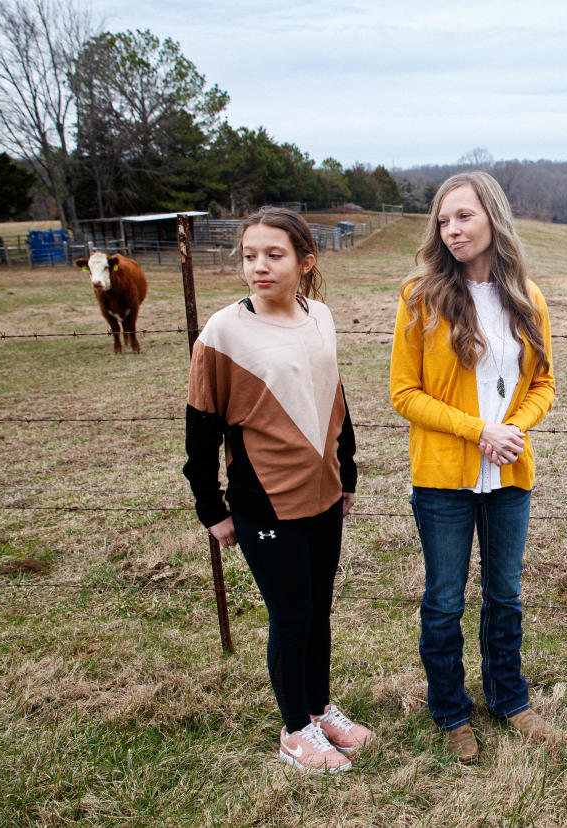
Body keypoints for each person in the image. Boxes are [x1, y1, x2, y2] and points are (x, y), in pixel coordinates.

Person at [183, 206, 373, 774]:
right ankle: (295, 731)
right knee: (290, 617)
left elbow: (334, 401)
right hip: (264, 502)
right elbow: (201, 433)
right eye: (249, 256)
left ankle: (318, 707)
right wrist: (211, 510)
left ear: (305, 262)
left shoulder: (321, 317)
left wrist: (348, 474)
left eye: (274, 255)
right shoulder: (223, 332)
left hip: (324, 495)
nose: (258, 267)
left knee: (318, 613)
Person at [390, 171, 556, 764]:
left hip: (509, 475)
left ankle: (510, 701)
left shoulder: (526, 297)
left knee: (505, 597)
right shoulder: (421, 296)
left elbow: (544, 383)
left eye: (464, 216)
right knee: (444, 600)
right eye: (443, 220)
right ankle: (451, 711)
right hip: (442, 479)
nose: (452, 229)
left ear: (493, 218)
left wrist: (515, 428)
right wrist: (477, 429)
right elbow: (404, 393)